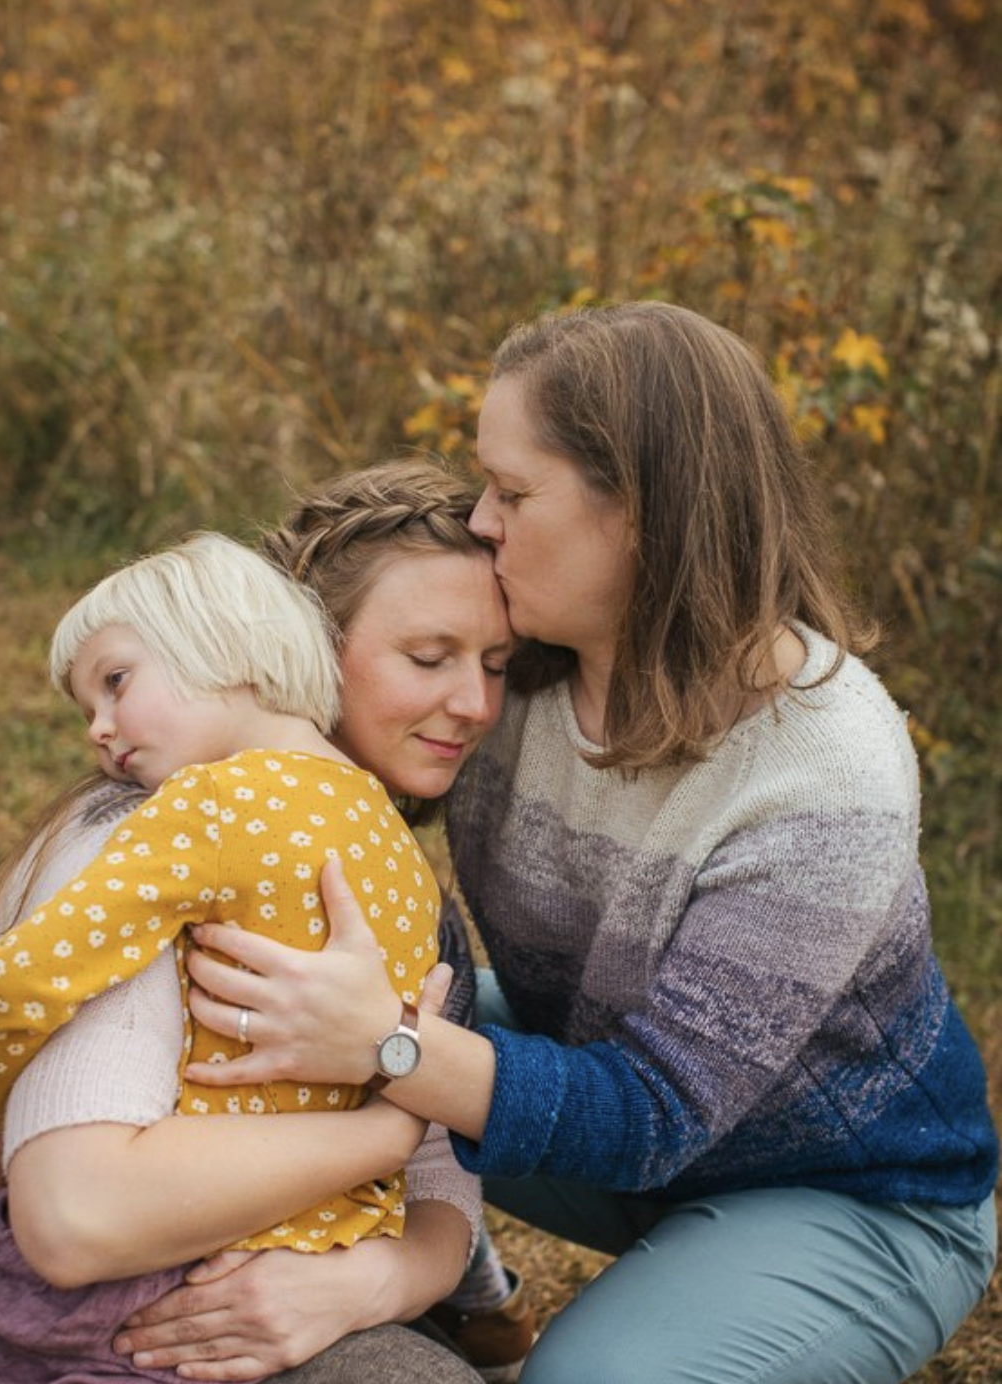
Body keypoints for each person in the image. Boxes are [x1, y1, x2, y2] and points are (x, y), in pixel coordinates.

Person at [173, 302, 1000, 1384]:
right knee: (262, 993)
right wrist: (22, 933)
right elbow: (252, 740)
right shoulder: (519, 668)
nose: (480, 521)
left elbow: (651, 1114)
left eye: (514, 493)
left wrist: (390, 1044)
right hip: (605, 1086)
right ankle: (455, 1286)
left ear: (645, 512)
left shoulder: (825, 771)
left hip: (845, 1188)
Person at [0, 460, 512, 1382]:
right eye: (428, 659)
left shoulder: (396, 877)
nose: (474, 704)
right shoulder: (154, 822)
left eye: (497, 667)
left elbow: (442, 1195)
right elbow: (74, 1218)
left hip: (199, 1262)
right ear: (299, 642)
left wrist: (375, 1281)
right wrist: (384, 1131)